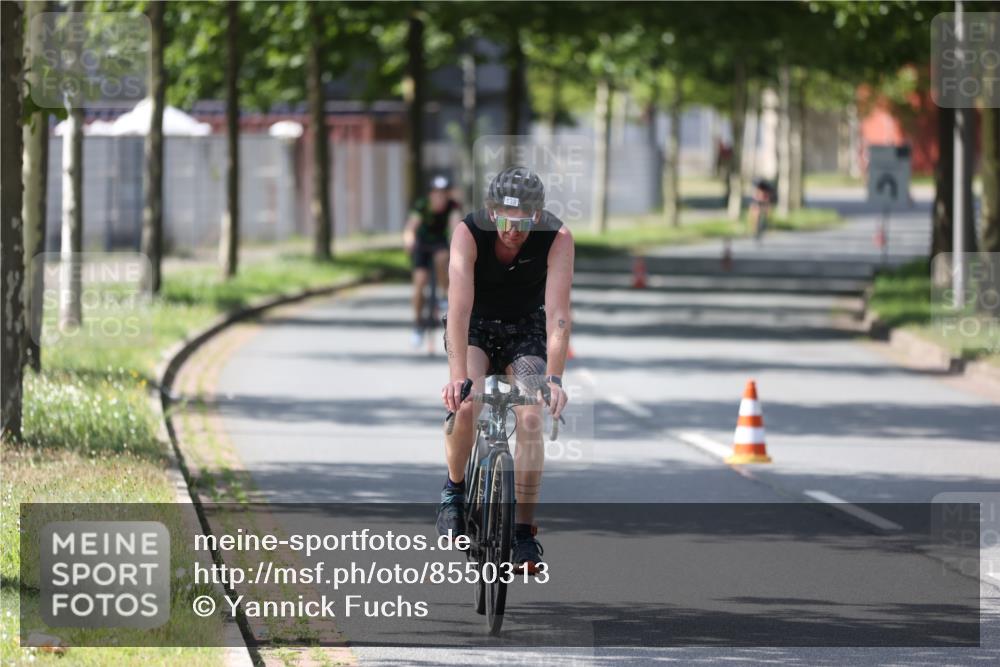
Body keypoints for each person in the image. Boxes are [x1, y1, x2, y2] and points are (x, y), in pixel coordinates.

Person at [437, 166, 574, 574]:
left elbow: (559, 316)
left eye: (523, 222)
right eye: (504, 220)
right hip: (475, 326)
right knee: (465, 405)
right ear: (491, 211)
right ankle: (454, 493)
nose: (513, 231)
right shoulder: (468, 232)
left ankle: (522, 534)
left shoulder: (558, 238)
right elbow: (458, 312)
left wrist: (554, 377)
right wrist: (458, 376)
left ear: (537, 216)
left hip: (524, 328)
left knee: (530, 417)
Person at [404, 175, 462, 349]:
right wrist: (409, 239)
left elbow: (455, 225)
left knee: (442, 257)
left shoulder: (453, 206)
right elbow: (411, 227)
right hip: (422, 245)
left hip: (439, 244)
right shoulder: (422, 205)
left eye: (444, 193)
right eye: (436, 193)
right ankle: (417, 324)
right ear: (430, 194)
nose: (440, 197)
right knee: (420, 283)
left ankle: (444, 294)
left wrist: (458, 243)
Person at [748, 178, 775, 243]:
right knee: (755, 214)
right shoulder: (756, 189)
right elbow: (754, 199)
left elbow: (768, 200)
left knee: (766, 212)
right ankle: (754, 229)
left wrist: (767, 210)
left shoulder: (767, 189)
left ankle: (764, 224)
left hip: (764, 202)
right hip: (757, 201)